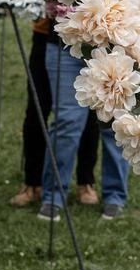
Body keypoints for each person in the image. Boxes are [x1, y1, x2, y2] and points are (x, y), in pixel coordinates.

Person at [36, 34, 131, 222]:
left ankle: (115, 195)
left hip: (115, 47)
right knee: (66, 121)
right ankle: (53, 195)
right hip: (65, 45)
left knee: (114, 124)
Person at [9, 17, 102, 208]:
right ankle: (33, 182)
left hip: (89, 36)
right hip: (47, 35)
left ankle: (85, 181)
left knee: (88, 111)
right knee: (37, 109)